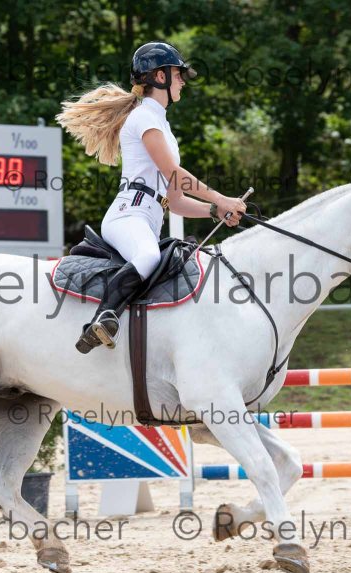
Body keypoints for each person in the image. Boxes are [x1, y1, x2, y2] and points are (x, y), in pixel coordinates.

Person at [56, 41, 247, 354]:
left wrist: (214, 211)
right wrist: (222, 198)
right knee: (148, 257)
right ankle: (102, 317)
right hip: (127, 216)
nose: (182, 80)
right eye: (178, 74)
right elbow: (174, 173)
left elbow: (177, 202)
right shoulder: (144, 117)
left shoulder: (163, 127)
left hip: (148, 218)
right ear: (160, 77)